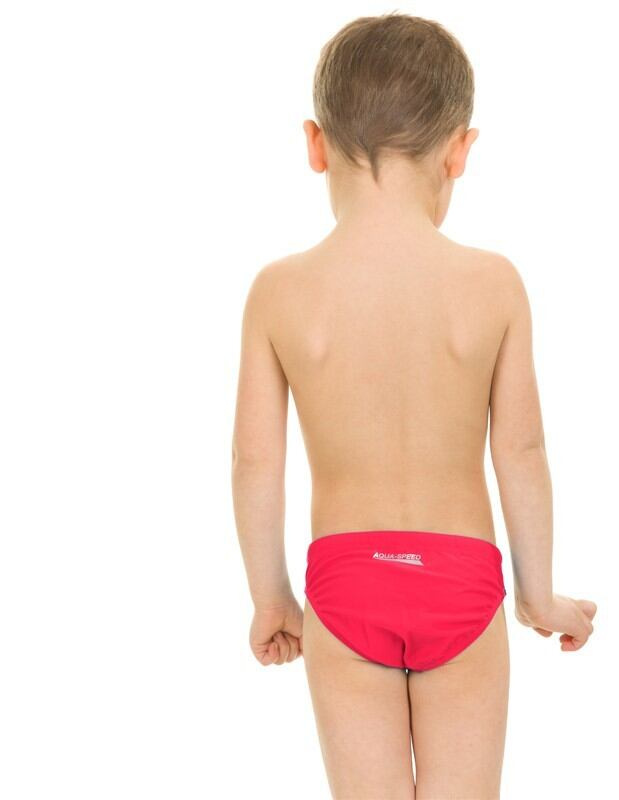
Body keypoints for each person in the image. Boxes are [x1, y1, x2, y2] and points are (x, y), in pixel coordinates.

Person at [231, 12, 597, 799]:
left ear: (315, 143)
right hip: (461, 582)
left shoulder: (280, 292)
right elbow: (522, 453)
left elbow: (255, 462)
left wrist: (272, 598)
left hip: (347, 583)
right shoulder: (493, 284)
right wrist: (539, 596)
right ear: (460, 151)